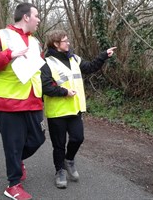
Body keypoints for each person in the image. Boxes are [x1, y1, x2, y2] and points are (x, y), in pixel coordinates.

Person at [0, 2, 45, 200]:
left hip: (33, 100)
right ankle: (13, 185)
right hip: (9, 102)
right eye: (36, 16)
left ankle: (17, 161)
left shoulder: (35, 42)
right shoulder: (3, 36)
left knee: (38, 138)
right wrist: (9, 54)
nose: (39, 20)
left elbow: (40, 68)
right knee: (13, 144)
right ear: (26, 17)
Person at [41, 29, 116, 189]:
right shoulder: (47, 63)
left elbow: (89, 67)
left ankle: (69, 160)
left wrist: (104, 55)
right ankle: (59, 171)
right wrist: (64, 92)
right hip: (57, 112)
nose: (68, 43)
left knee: (78, 138)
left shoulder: (74, 58)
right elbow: (45, 87)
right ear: (56, 44)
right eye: (65, 41)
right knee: (59, 145)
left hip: (75, 109)